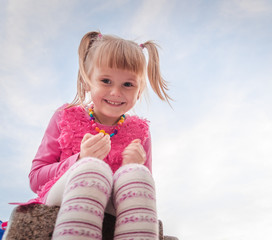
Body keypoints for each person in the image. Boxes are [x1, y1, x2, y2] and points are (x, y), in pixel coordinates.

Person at [27, 31, 171, 239]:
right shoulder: (65, 115)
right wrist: (79, 160)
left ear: (138, 91)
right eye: (106, 81)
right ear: (87, 81)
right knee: (92, 168)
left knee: (137, 175)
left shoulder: (141, 132)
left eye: (128, 84)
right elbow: (35, 179)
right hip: (62, 193)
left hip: (113, 205)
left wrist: (132, 167)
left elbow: (141, 192)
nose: (116, 92)